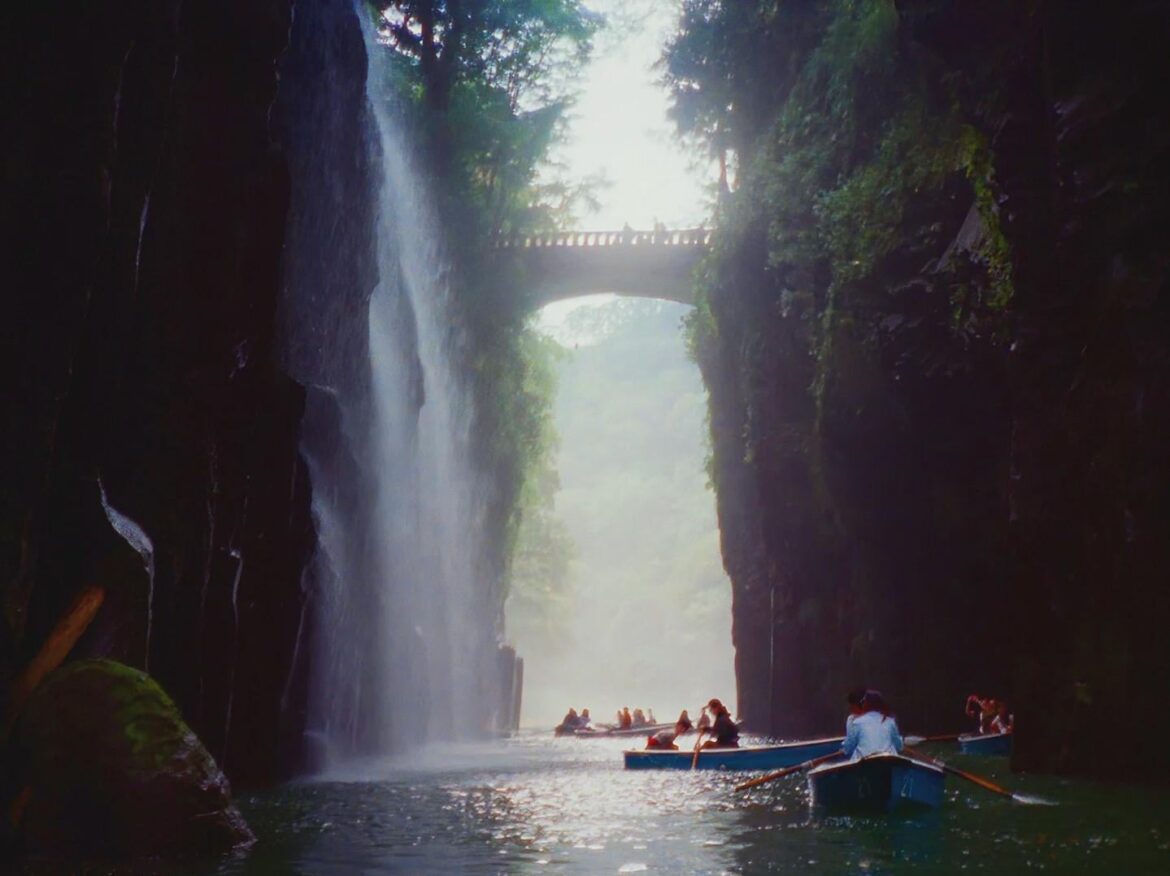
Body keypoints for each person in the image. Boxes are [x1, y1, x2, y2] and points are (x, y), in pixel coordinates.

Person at [841, 690, 903, 760]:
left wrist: (844, 749)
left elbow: (848, 748)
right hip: (887, 761)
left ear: (866, 704)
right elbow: (899, 747)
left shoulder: (857, 722)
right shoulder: (890, 721)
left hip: (864, 762)